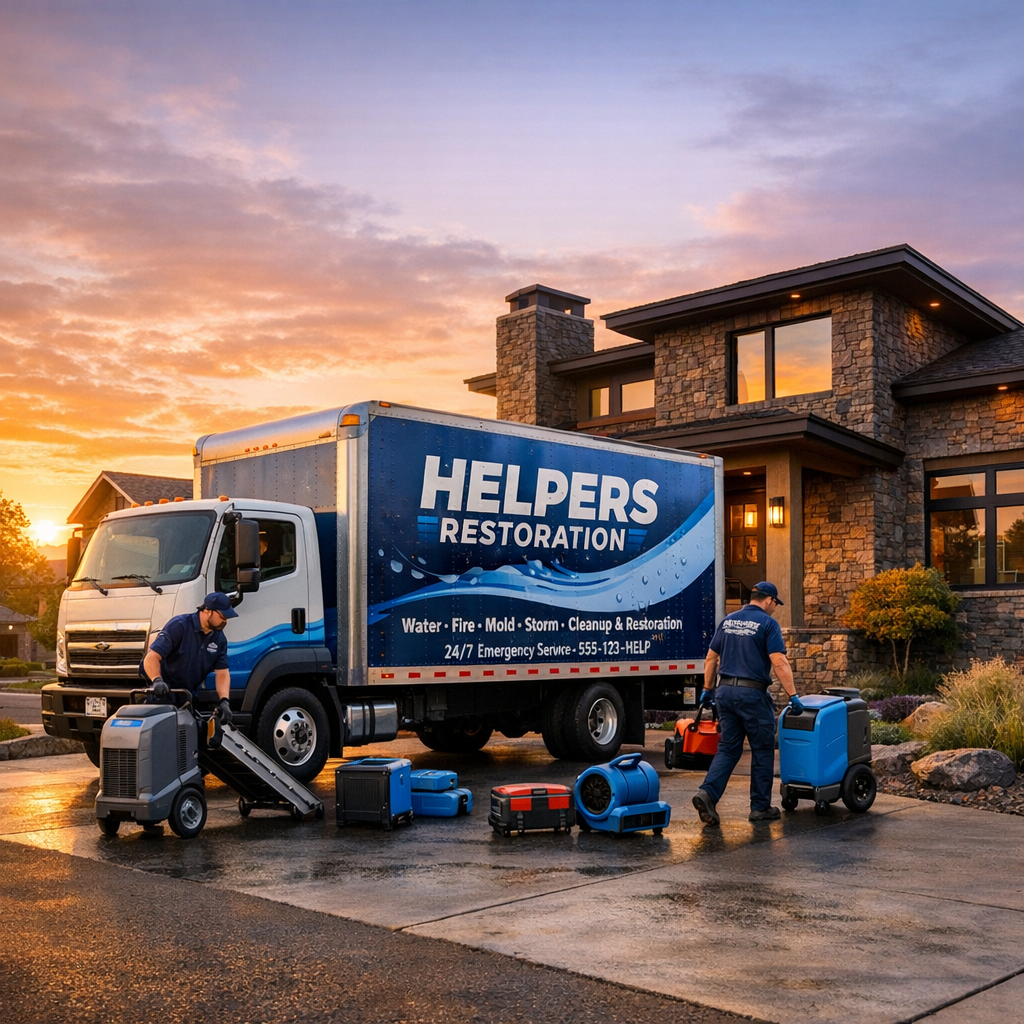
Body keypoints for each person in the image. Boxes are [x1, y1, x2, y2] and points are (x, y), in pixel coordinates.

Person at [691, 581, 803, 826]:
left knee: (729, 748)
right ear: (769, 600)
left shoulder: (728, 620)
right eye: (775, 604)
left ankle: (707, 793)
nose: (775, 608)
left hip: (725, 693)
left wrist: (708, 690)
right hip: (752, 696)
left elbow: (711, 659)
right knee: (762, 750)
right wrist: (793, 696)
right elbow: (779, 662)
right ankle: (760, 808)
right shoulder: (768, 624)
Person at [141, 592, 238, 724]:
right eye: (223, 616)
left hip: (187, 696)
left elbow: (222, 673)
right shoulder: (179, 626)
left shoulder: (219, 639)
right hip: (162, 693)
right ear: (208, 611)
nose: (225, 621)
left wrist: (224, 701)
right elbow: (152, 657)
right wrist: (157, 680)